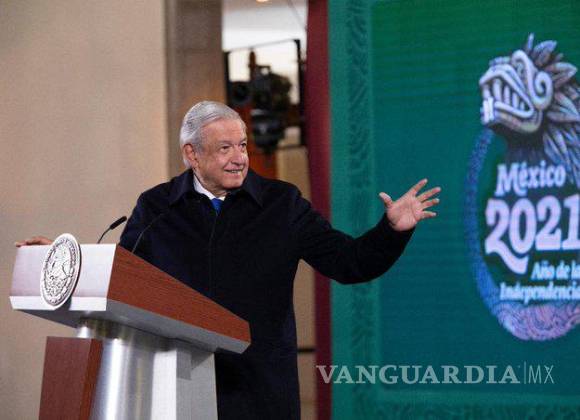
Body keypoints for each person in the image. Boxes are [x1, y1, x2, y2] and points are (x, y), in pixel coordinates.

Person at [17, 101, 440, 419]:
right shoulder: (157, 207)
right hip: (175, 383)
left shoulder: (282, 204)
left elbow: (350, 263)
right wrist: (70, 263)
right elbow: (124, 280)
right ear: (192, 154)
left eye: (242, 145)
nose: (240, 158)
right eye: (224, 148)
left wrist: (391, 230)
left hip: (258, 388)